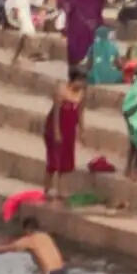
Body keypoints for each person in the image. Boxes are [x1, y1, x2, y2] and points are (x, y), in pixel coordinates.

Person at [43, 68, 85, 199]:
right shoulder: (61, 90)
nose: (82, 84)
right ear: (73, 80)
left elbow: (80, 112)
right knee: (53, 160)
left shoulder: (81, 93)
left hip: (69, 129)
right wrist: (56, 131)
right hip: (56, 126)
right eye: (80, 81)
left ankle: (60, 190)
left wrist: (82, 130)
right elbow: (56, 112)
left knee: (66, 159)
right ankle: (47, 188)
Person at [6, 0, 45, 66]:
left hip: (25, 7)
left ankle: (15, 57)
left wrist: (39, 7)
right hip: (19, 5)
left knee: (24, 34)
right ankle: (35, 52)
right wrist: (15, 7)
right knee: (29, 30)